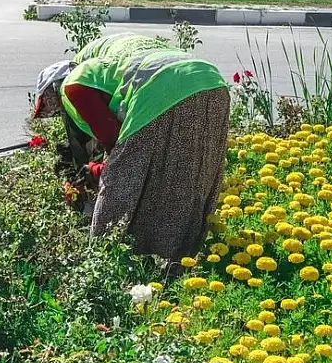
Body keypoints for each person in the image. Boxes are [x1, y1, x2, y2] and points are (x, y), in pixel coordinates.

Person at [33, 32, 230, 261]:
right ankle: (176, 262)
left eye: (51, 106)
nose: (54, 111)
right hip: (211, 82)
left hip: (159, 87)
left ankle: (106, 259)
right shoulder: (114, 58)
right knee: (185, 179)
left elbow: (111, 138)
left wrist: (104, 168)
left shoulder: (73, 82)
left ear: (53, 90)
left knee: (119, 185)